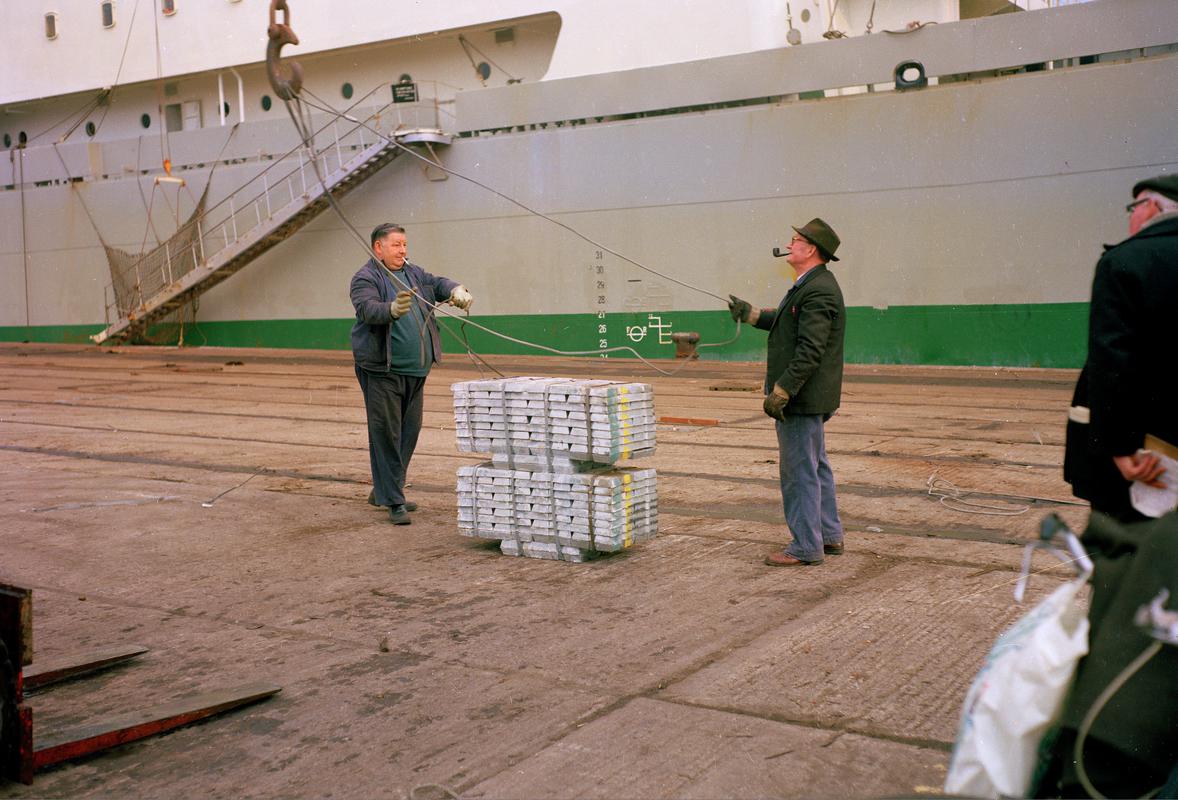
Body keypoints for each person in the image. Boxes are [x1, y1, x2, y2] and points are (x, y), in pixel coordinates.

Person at [728, 218, 846, 566]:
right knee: (815, 466)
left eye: (796, 240)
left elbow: (810, 349)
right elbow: (786, 320)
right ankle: (828, 535)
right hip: (810, 397)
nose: (790, 244)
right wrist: (751, 315)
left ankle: (806, 546)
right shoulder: (811, 284)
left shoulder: (818, 289)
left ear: (811, 250)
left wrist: (783, 390)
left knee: (798, 472)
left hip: (800, 399)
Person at [1065, 174, 1178, 520]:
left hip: (1151, 450)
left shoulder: (1125, 262)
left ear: (1152, 206)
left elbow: (1113, 361)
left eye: (1133, 207)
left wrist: (1118, 446)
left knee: (1134, 540)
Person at [350, 223, 473, 525]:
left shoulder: (413, 273)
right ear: (378, 247)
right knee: (386, 435)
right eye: (396, 245)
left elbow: (436, 282)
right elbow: (367, 308)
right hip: (383, 371)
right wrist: (391, 309)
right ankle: (394, 500)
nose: (402, 250)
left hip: (416, 370)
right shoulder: (365, 278)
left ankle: (385, 490)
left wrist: (454, 289)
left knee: (409, 432)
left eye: (404, 244)